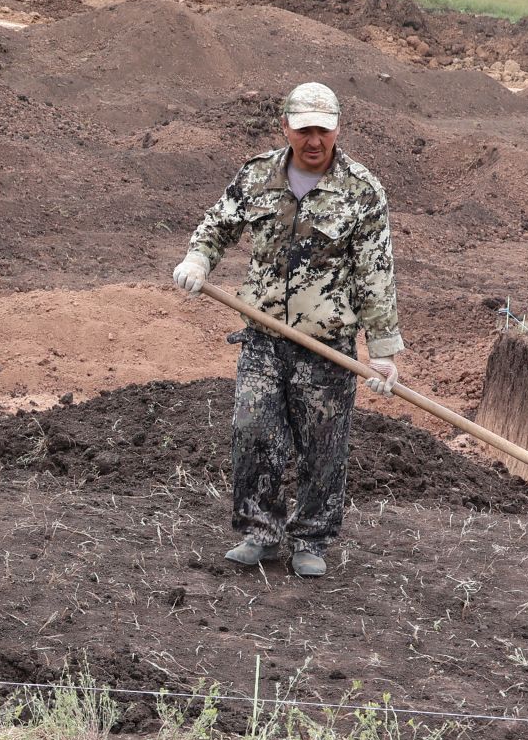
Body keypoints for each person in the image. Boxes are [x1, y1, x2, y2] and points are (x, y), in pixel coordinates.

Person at [171, 82, 405, 579]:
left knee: (324, 443)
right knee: (254, 430)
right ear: (286, 128)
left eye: (322, 129)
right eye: (303, 130)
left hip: (326, 345)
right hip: (262, 336)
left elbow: (375, 274)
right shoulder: (256, 176)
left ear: (338, 128)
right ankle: (262, 533)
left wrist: (382, 350)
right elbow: (218, 225)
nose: (314, 140)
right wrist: (198, 258)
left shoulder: (362, 191)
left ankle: (311, 538)